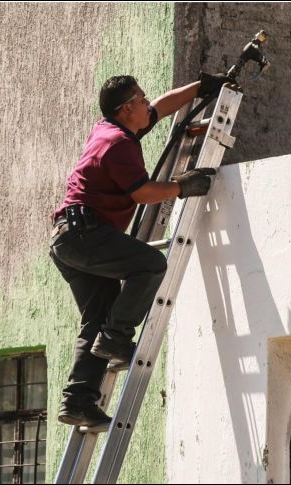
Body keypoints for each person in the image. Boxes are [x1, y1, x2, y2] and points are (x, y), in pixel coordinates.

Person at [51, 72, 231, 426]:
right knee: (150, 265)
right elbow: (143, 193)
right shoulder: (117, 145)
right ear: (126, 108)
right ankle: (116, 337)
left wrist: (199, 87)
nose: (148, 103)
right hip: (84, 236)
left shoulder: (113, 129)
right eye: (141, 98)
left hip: (71, 239)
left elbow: (161, 108)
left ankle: (77, 401)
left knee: (97, 317)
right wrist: (182, 187)